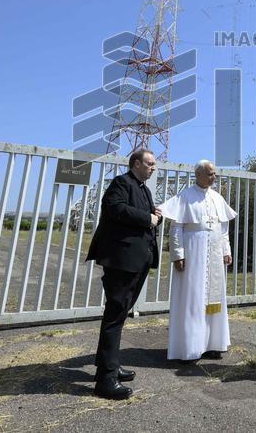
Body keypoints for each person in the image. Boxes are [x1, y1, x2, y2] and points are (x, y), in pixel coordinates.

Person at [85, 149, 163, 400]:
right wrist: (148, 217)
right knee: (115, 314)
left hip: (137, 260)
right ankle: (106, 381)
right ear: (136, 164)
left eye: (154, 164)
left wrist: (156, 217)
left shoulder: (144, 189)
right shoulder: (121, 183)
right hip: (121, 261)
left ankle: (108, 365)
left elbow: (146, 220)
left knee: (119, 315)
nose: (153, 168)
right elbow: (115, 209)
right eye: (150, 163)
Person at [159, 160, 236, 362]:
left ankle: (212, 344)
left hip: (215, 253)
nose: (213, 177)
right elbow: (176, 228)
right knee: (193, 298)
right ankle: (191, 347)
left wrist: (226, 250)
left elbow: (224, 229)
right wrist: (178, 254)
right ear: (198, 174)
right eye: (210, 174)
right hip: (193, 253)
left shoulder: (217, 198)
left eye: (214, 173)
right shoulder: (185, 197)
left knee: (213, 299)